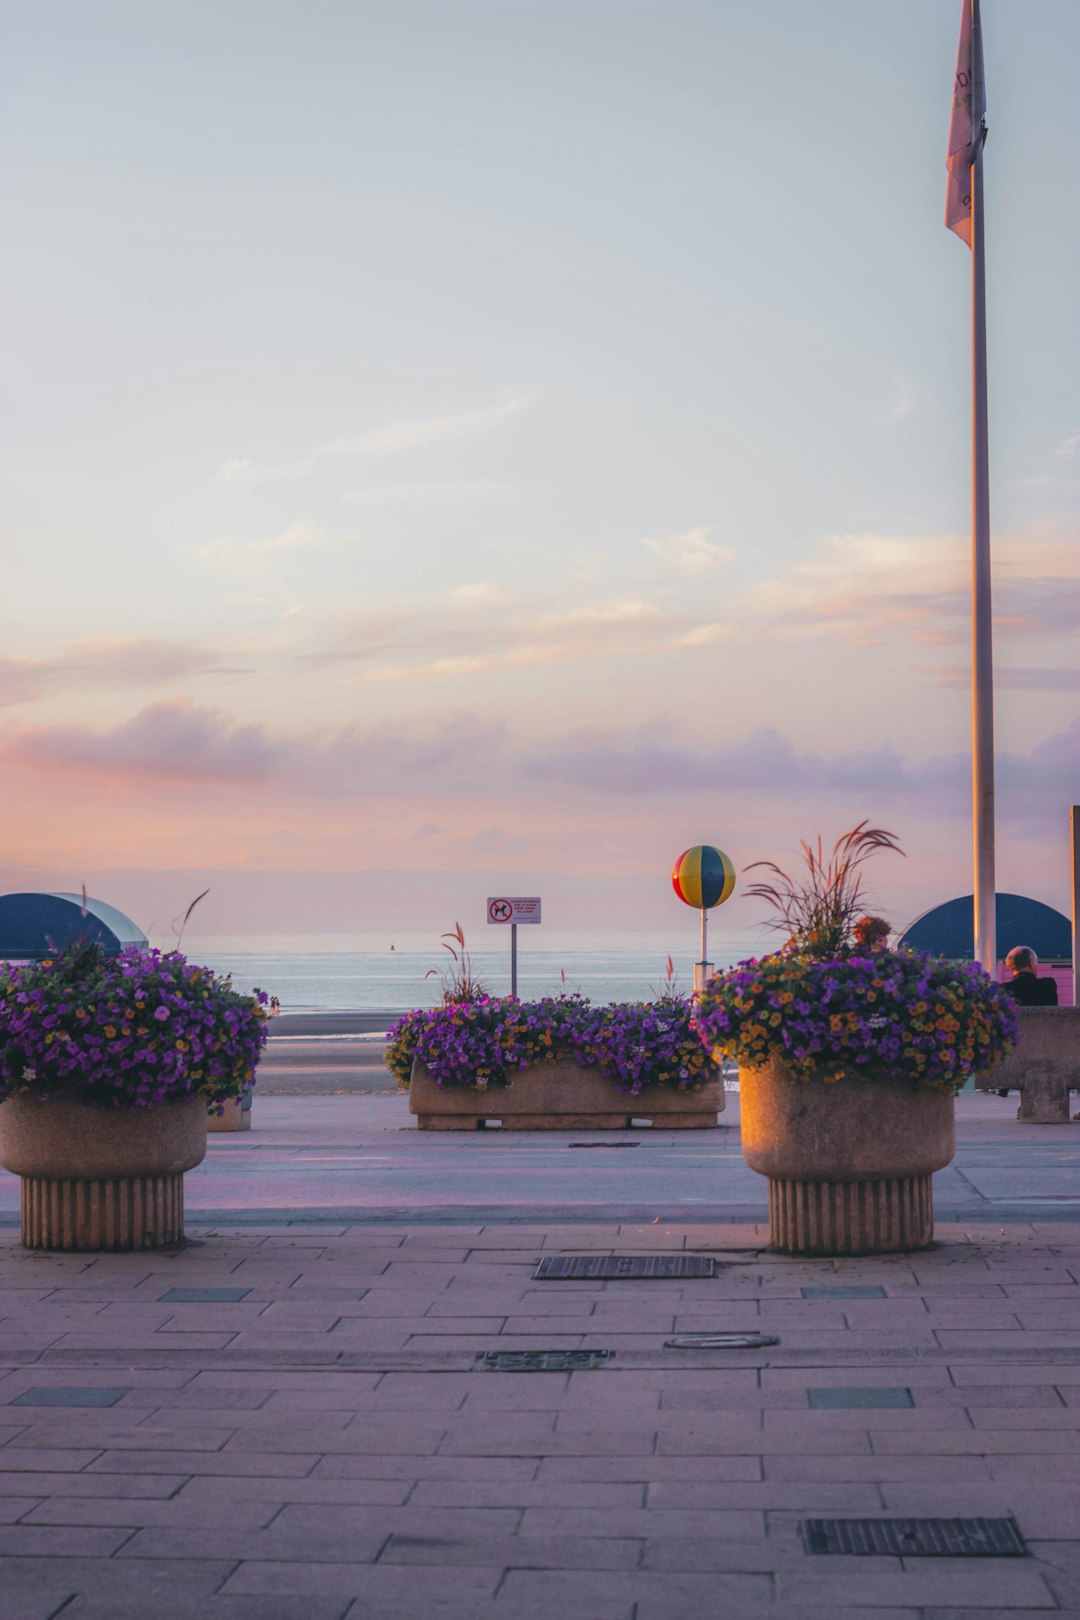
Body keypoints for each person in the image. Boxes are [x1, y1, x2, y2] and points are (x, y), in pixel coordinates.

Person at [996, 946, 1057, 1098]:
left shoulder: (1003, 990)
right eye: (1036, 962)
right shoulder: (1048, 985)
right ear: (1031, 962)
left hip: (1013, 1053)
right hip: (1045, 1050)